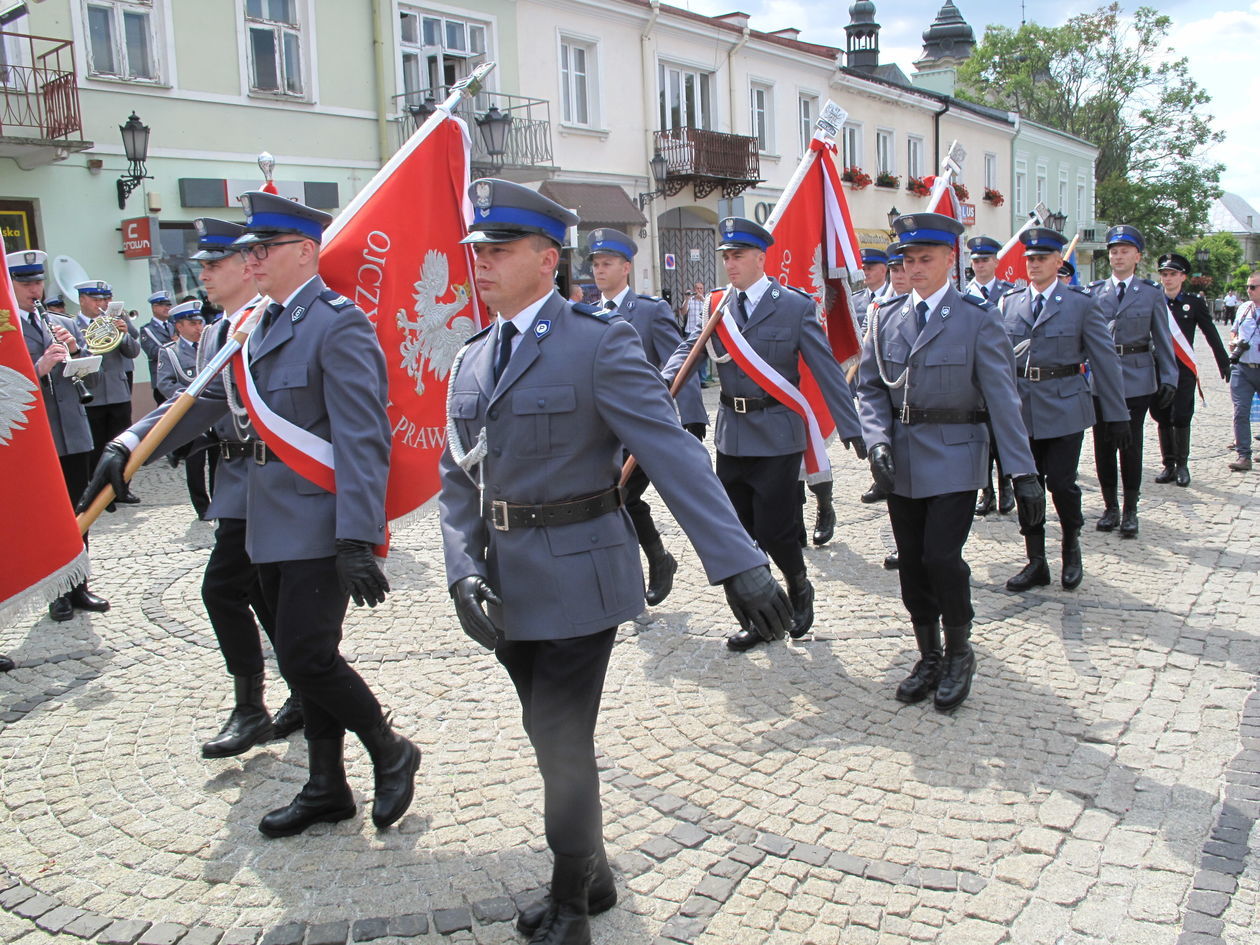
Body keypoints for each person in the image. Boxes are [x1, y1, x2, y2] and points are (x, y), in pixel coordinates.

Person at [438, 179, 790, 945]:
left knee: (561, 737)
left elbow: (671, 453)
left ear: (543, 258)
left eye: (497, 252)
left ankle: (573, 901)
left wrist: (738, 563)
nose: (481, 266)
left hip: (580, 576)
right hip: (505, 584)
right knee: (543, 730)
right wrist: (462, 567)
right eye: (478, 253)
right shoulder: (472, 357)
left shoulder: (597, 343)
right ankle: (592, 868)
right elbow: (455, 478)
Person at [79, 193, 418, 838]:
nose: (250, 260)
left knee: (307, 655)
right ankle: (326, 786)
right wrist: (127, 445)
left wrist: (357, 533)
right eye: (250, 250)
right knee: (302, 656)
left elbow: (362, 436)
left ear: (304, 253)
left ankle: (389, 747)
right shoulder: (253, 323)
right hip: (264, 516)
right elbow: (199, 400)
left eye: (263, 249)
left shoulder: (336, 322)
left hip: (318, 516)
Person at [856, 212, 1045, 712]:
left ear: (949, 259)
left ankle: (961, 652)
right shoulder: (886, 316)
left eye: (926, 259)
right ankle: (929, 655)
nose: (915, 268)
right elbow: (871, 389)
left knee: (942, 557)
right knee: (912, 563)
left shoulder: (977, 320)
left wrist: (1023, 473)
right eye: (909, 260)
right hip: (903, 459)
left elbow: (1003, 401)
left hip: (958, 455)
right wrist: (877, 441)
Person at [664, 216, 866, 651]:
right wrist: (667, 379)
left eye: (737, 256)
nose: (730, 264)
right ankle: (758, 618)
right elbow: (691, 346)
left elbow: (825, 367)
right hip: (732, 435)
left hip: (778, 435)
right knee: (737, 533)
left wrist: (850, 424)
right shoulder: (720, 304)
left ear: (760, 257)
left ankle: (798, 587)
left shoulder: (793, 306)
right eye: (726, 257)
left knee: (776, 529)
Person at [996, 228, 1127, 592]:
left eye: (1041, 258)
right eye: (1030, 259)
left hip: (1066, 404)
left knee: (1062, 483)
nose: (1034, 264)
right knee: (1027, 484)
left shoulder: (1081, 304)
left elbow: (1104, 360)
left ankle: (1071, 546)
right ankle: (1036, 560)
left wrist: (1117, 414)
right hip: (1022, 408)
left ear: (1058, 261)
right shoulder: (1011, 302)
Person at [587, 227, 707, 606]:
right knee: (613, 501)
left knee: (621, 496)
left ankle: (657, 559)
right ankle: (651, 562)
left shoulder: (650, 310)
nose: (598, 271)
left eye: (606, 263)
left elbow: (680, 361)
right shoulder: (588, 316)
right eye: (595, 264)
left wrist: (691, 418)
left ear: (626, 268)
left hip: (642, 431)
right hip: (604, 433)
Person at [8, 250, 110, 623]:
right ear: (9, 285)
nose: (35, 290)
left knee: (79, 512)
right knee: (48, 516)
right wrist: (39, 368)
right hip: (39, 439)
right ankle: (56, 593)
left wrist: (76, 352)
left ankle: (79, 584)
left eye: (38, 282)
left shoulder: (59, 321)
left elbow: (94, 381)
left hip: (74, 431)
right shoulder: (6, 331)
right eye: (26, 284)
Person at [1088, 226, 1178, 538]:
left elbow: (1163, 339)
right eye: (1113, 251)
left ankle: (1130, 509)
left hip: (1138, 378)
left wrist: (1169, 376)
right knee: (1102, 445)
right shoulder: (1094, 292)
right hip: (1101, 379)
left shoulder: (1151, 293)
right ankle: (1110, 505)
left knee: (1130, 444)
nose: (1118, 256)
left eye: (1125, 251)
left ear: (1137, 256)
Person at [1151, 253, 1231, 486]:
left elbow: (1210, 332)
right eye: (1164, 274)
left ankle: (1182, 465)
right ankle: (1168, 464)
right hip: (1158, 366)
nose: (1168, 279)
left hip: (1182, 367)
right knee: (1162, 415)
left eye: (1173, 274)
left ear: (1183, 277)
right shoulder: (1153, 300)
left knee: (1182, 415)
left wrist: (1223, 360)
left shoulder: (1193, 302)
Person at [74, 279, 142, 504]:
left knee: (122, 444)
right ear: (82, 300)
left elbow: (133, 352)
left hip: (117, 391)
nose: (101, 303)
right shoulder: (72, 325)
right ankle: (98, 494)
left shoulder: (117, 322)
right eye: (96, 299)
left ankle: (121, 489)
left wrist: (123, 333)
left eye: (105, 299)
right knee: (95, 448)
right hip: (91, 395)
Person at [966, 236, 1017, 517]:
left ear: (996, 262)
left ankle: (1006, 485)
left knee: (1000, 436)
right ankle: (986, 490)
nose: (980, 265)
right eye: (976, 260)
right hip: (972, 378)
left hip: (999, 374)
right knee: (979, 437)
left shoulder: (1008, 295)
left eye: (985, 260)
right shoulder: (962, 294)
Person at [155, 300, 219, 520]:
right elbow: (165, 383)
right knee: (195, 463)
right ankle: (202, 506)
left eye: (200, 322)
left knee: (218, 462)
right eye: (192, 323)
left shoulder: (212, 346)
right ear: (179, 326)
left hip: (215, 414)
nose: (199, 327)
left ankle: (219, 503)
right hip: (190, 415)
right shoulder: (170, 352)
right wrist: (186, 400)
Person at [1227, 273, 1260, 472]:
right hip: (1243, 368)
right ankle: (1243, 455)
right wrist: (1234, 341)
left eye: (1254, 287)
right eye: (1248, 286)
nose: (1249, 290)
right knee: (1241, 411)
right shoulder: (1243, 308)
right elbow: (1234, 329)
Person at [139, 291, 175, 404]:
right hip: (161, 378)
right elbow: (153, 352)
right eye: (163, 305)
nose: (167, 308)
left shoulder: (174, 325)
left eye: (168, 305)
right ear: (154, 307)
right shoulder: (147, 330)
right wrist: (174, 344)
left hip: (178, 377)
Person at [681, 280, 713, 385]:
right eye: (697, 288)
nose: (699, 290)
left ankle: (702, 380)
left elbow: (711, 310)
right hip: (690, 331)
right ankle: (691, 380)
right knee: (690, 357)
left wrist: (703, 299)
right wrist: (686, 299)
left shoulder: (706, 301)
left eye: (701, 289)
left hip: (702, 332)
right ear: (694, 289)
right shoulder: (690, 300)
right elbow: (683, 312)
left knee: (702, 357)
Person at [853, 247, 891, 330]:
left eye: (870, 269)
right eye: (863, 269)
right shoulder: (854, 300)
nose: (865, 273)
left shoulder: (894, 296)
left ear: (883, 270)